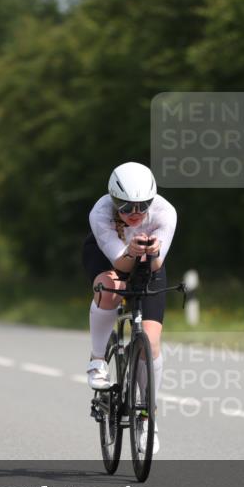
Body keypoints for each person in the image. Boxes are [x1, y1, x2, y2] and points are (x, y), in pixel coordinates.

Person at [82, 162, 177, 454]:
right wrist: (131, 250)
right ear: (113, 200)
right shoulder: (100, 212)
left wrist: (151, 251)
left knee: (150, 340)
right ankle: (98, 359)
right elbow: (121, 264)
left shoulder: (165, 212)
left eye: (142, 206)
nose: (134, 213)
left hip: (149, 261)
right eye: (125, 207)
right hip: (108, 257)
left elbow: (157, 265)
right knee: (112, 289)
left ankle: (149, 415)